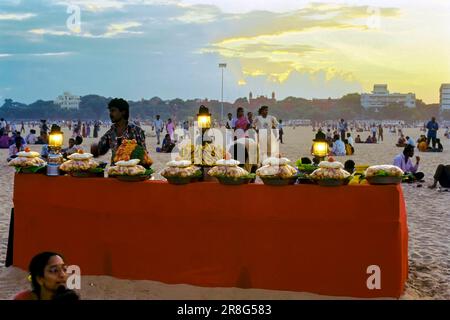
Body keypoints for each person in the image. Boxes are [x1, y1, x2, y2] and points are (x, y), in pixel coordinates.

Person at [91, 98, 147, 163]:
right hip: (115, 171)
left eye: (113, 111)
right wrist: (95, 150)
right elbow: (101, 150)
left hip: (133, 170)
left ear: (123, 112)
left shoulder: (137, 131)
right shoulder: (110, 133)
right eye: (110, 111)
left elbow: (144, 156)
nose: (110, 114)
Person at [14, 252, 79, 300]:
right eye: (54, 270)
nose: (63, 275)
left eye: (64, 269)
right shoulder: (24, 298)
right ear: (39, 279)